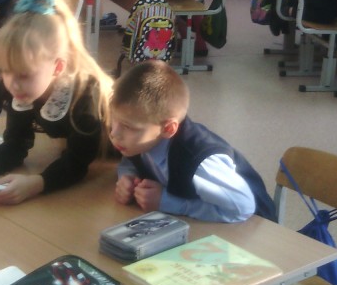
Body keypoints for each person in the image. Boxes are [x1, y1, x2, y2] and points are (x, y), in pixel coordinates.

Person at [0, 0, 113, 204]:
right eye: (5, 71)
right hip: (87, 157)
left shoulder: (86, 94)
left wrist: (37, 183)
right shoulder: (19, 87)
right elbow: (16, 143)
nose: (12, 84)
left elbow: (78, 161)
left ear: (58, 67)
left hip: (116, 163)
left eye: (24, 75)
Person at [110, 60, 275, 223]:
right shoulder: (140, 140)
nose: (114, 133)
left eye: (128, 127)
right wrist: (127, 177)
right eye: (114, 119)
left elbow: (243, 208)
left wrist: (168, 202)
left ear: (168, 129)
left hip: (255, 226)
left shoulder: (200, 163)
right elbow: (130, 161)